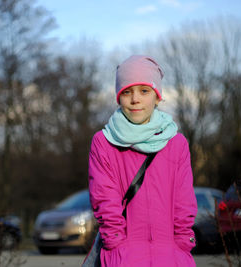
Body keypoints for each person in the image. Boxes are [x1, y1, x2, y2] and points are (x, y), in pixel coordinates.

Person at [88, 55, 197, 266]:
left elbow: (184, 199)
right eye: (126, 92)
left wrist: (183, 244)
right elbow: (104, 198)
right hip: (123, 257)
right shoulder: (103, 142)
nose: (135, 99)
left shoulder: (177, 143)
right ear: (118, 97)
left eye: (144, 91)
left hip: (172, 257)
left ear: (157, 97)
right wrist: (115, 244)